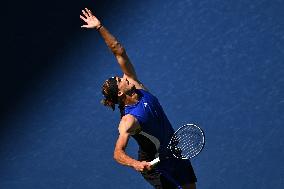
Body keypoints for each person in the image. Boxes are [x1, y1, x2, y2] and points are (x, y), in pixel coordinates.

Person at [80, 8, 197, 189]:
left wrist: (100, 27)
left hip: (174, 152)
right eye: (121, 80)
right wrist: (135, 164)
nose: (124, 77)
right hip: (156, 167)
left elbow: (119, 51)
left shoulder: (137, 85)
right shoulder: (129, 120)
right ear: (120, 93)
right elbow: (117, 153)